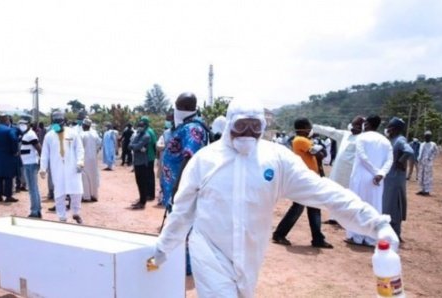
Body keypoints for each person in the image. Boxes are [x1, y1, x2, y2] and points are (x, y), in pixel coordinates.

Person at [149, 99, 399, 298]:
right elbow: (182, 210)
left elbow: (324, 191)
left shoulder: (276, 159)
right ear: (229, 126)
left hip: (251, 253)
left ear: (263, 126)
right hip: (209, 250)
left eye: (255, 126)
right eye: (240, 126)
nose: (248, 132)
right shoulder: (205, 160)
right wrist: (164, 248)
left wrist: (374, 222)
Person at [272, 118, 333, 248]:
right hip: (304, 179)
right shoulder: (301, 140)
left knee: (313, 208)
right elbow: (319, 154)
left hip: (310, 178)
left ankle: (317, 238)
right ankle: (279, 234)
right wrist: (319, 149)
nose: (311, 129)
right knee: (299, 208)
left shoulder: (305, 141)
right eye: (310, 126)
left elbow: (320, 154)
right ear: (305, 127)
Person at [346, 115, 393, 246]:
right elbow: (389, 160)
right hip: (376, 180)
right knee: (374, 207)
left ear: (366, 124)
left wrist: (375, 172)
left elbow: (362, 157)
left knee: (358, 207)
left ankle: (356, 237)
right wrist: (381, 174)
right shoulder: (385, 141)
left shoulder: (361, 137)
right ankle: (371, 238)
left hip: (361, 178)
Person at [160, 92, 210, 210]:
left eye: (177, 106)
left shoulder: (192, 128)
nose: (175, 110)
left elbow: (189, 158)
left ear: (184, 109)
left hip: (182, 189)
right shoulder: (185, 126)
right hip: (176, 185)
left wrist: (177, 188)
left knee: (182, 223)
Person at [313, 116, 365, 224]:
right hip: (338, 171)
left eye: (357, 125)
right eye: (353, 124)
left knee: (348, 196)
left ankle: (346, 220)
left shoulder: (364, 138)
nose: (354, 127)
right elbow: (331, 131)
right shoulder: (345, 135)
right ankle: (333, 218)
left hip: (351, 172)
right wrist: (313, 127)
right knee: (335, 194)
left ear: (362, 127)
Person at [39, 111, 85, 223]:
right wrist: (43, 168)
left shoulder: (72, 133)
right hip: (57, 168)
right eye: (55, 123)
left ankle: (76, 213)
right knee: (59, 193)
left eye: (60, 123)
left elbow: (79, 148)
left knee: (76, 191)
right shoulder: (49, 136)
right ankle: (62, 217)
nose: (58, 126)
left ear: (64, 122)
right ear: (52, 122)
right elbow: (44, 153)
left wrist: (80, 161)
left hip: (72, 167)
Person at [383, 117, 414, 241]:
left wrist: (401, 162)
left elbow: (409, 151)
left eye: (390, 127)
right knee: (388, 205)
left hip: (395, 179)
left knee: (395, 206)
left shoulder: (400, 140)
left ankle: (396, 233)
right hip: (389, 178)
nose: (388, 129)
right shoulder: (392, 140)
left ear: (395, 129)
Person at [18, 116, 43, 218]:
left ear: (29, 124)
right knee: (34, 188)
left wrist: (41, 162)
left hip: (30, 164)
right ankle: (37, 209)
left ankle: (34, 211)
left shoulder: (31, 134)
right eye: (20, 124)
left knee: (32, 189)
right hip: (28, 163)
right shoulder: (26, 134)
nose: (22, 125)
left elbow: (39, 148)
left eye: (24, 123)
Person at [129, 120, 151, 209]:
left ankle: (143, 202)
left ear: (145, 126)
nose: (139, 127)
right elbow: (130, 145)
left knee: (143, 183)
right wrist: (136, 147)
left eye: (141, 126)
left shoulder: (146, 136)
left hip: (143, 162)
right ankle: (141, 199)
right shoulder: (138, 135)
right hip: (137, 162)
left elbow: (136, 146)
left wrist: (135, 147)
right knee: (138, 182)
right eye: (138, 125)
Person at [80, 118, 102, 202]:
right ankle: (94, 195)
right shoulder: (95, 134)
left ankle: (86, 196)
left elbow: (80, 147)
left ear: (84, 125)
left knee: (85, 177)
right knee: (93, 177)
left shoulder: (82, 135)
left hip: (85, 159)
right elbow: (99, 144)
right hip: (93, 159)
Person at [140, 116, 158, 201]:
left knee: (149, 175)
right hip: (145, 157)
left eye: (142, 122)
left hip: (149, 157)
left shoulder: (150, 132)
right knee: (145, 175)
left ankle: (151, 194)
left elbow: (154, 144)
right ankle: (147, 193)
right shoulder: (144, 131)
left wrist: (155, 155)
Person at [417, 131, 439, 196]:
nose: (426, 137)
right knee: (421, 176)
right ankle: (422, 189)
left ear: (430, 137)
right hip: (421, 162)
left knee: (427, 176)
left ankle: (427, 191)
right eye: (425, 136)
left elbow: (436, 153)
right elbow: (420, 152)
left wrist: (430, 158)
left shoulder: (433, 144)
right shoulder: (422, 144)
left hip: (428, 163)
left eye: (428, 136)